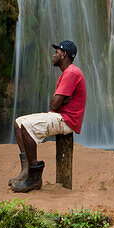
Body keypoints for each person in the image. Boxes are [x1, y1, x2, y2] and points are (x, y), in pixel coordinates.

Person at [9, 39, 87, 192]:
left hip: (67, 119)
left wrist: (60, 100)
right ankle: (26, 170)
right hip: (60, 115)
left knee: (26, 126)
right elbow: (56, 102)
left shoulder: (71, 72)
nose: (53, 55)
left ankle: (34, 177)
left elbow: (54, 104)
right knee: (18, 123)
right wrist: (61, 99)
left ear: (64, 54)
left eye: (57, 52)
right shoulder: (66, 74)